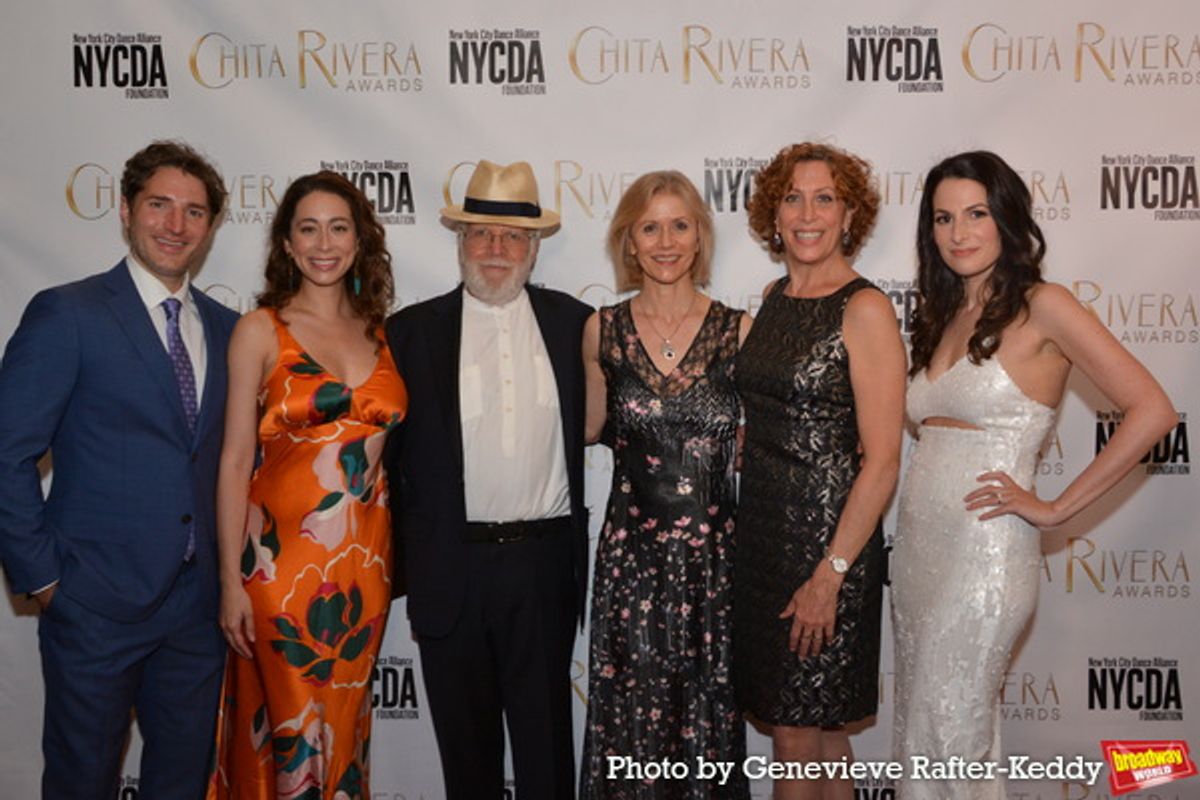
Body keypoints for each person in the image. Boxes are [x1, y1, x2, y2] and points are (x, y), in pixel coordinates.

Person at [890, 150, 1176, 799]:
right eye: (942, 217)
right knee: (927, 735)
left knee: (951, 734)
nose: (959, 232)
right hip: (918, 558)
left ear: (1007, 220)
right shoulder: (942, 314)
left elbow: (1152, 410)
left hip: (984, 555)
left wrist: (1054, 508)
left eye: (976, 213)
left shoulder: (1044, 304)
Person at [0, 141, 236, 799]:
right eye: (159, 205)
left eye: (193, 212)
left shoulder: (228, 328)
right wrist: (46, 580)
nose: (175, 225)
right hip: (94, 605)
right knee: (82, 782)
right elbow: (7, 452)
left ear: (211, 227)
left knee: (182, 784)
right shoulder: (68, 313)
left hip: (196, 612)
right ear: (127, 210)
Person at [383, 160, 591, 800]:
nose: (495, 249)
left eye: (511, 237)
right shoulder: (409, 333)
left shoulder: (577, 325)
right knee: (465, 759)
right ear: (459, 242)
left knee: (547, 754)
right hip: (451, 568)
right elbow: (383, 463)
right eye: (481, 234)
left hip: (543, 567)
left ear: (534, 248)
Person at [208, 171, 406, 799]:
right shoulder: (260, 330)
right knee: (288, 734)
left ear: (359, 240)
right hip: (276, 572)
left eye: (339, 227)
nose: (325, 242)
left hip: (365, 573)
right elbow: (235, 460)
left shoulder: (383, 332)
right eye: (308, 228)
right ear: (287, 245)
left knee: (344, 733)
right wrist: (229, 583)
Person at [733, 143, 906, 800]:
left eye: (825, 198)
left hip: (829, 549)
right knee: (824, 738)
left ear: (849, 214)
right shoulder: (775, 296)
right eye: (793, 197)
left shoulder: (863, 309)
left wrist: (829, 576)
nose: (808, 214)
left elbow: (883, 460)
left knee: (796, 737)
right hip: (765, 544)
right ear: (773, 214)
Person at [578, 171, 752, 799]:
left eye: (680, 225)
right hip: (633, 565)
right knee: (633, 728)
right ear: (629, 241)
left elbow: (763, 447)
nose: (666, 241)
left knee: (709, 725)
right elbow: (586, 426)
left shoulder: (739, 331)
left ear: (700, 236)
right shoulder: (602, 331)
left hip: (715, 568)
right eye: (650, 227)